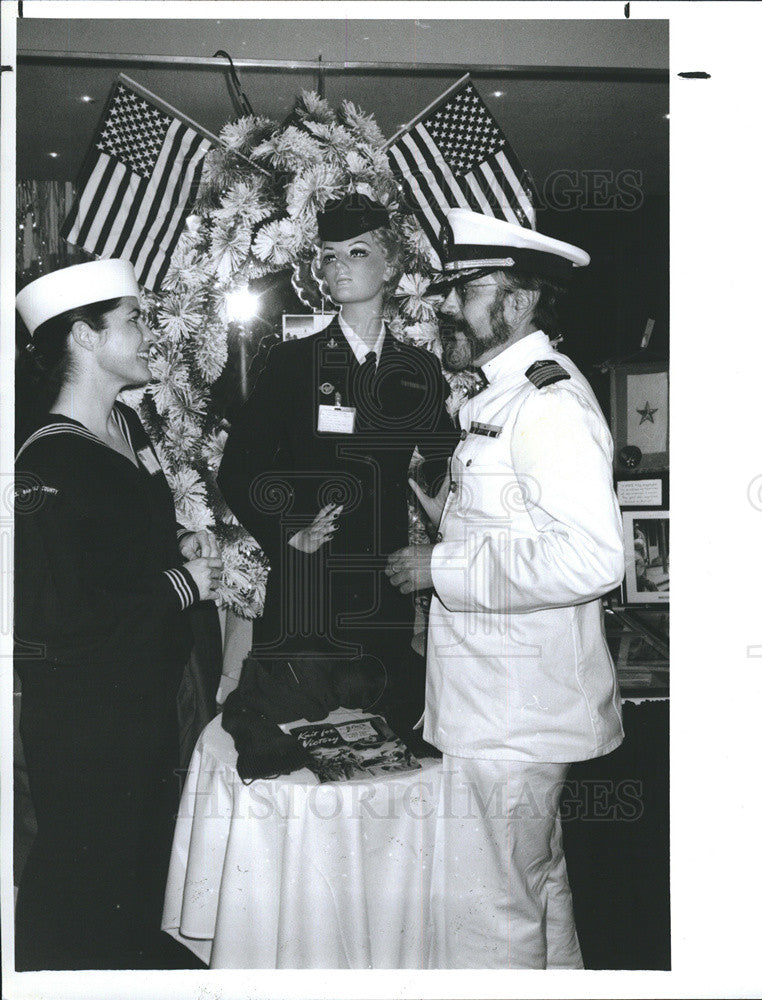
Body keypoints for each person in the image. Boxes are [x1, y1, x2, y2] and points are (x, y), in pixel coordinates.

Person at [385, 209, 625, 968]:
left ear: (517, 303)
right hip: (505, 705)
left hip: (512, 714)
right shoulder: (501, 395)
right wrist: (438, 514)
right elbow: (513, 527)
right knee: (536, 885)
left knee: (489, 914)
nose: (446, 306)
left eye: (466, 289)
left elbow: (591, 558)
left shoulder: (545, 403)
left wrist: (439, 570)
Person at [14, 259, 223, 970]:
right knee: (81, 899)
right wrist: (181, 583)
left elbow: (125, 547)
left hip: (144, 703)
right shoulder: (45, 463)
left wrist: (178, 545)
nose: (146, 331)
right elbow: (51, 617)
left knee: (136, 886)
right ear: (82, 336)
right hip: (84, 721)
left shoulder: (130, 425)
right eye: (132, 318)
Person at [217, 193, 455, 741]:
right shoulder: (292, 364)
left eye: (356, 252)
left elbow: (443, 472)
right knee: (294, 738)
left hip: (385, 590)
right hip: (308, 588)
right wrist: (287, 533)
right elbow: (239, 469)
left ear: (391, 266)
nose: (339, 266)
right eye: (329, 255)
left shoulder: (417, 370)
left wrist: (445, 548)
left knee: (383, 746)